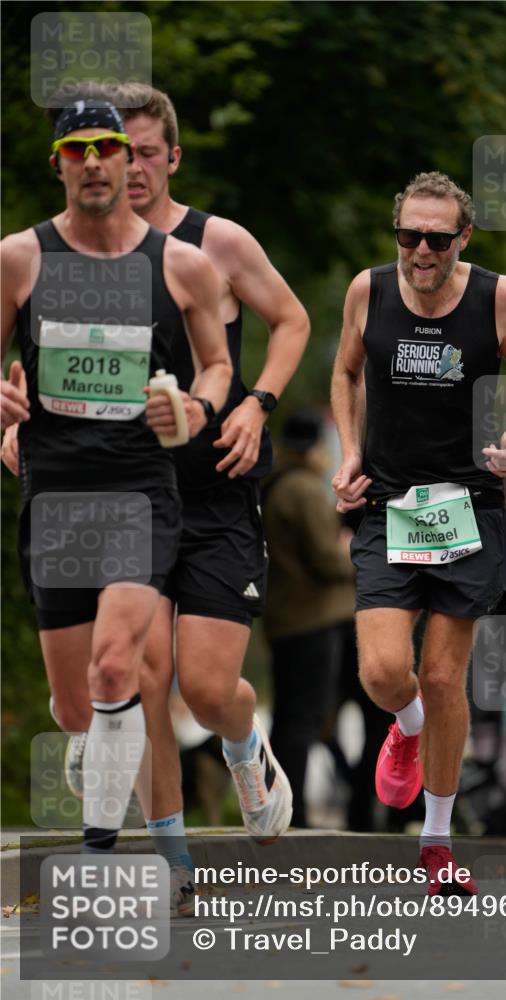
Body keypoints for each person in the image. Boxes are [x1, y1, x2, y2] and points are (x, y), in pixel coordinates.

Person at [0, 99, 232, 869]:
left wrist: (194, 408)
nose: (97, 161)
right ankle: (103, 747)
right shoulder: (20, 260)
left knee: (113, 666)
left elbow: (219, 365)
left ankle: (118, 856)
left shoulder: (180, 263)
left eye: (109, 148)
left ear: (131, 163)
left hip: (140, 490)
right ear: (59, 163)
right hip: (55, 493)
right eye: (79, 148)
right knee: (75, 706)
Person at [99, 83, 309, 909]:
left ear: (172, 157)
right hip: (130, 497)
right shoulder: (80, 259)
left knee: (206, 690)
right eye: (121, 152)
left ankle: (245, 747)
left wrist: (257, 404)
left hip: (217, 491)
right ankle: (174, 861)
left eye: (149, 151)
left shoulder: (216, 243)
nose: (135, 167)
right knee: (147, 677)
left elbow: (289, 320)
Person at [330, 171, 506, 895]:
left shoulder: (501, 297)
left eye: (436, 237)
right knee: (382, 673)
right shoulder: (367, 290)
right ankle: (409, 724)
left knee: (441, 673)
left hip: (467, 502)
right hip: (388, 501)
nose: (419, 251)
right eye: (407, 235)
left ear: (463, 237)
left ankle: (435, 841)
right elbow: (343, 373)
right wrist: (348, 451)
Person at [261, 409, 355, 828]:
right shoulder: (305, 491)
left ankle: (276, 807)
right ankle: (293, 815)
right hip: (314, 620)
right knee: (304, 720)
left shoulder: (274, 486)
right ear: (317, 448)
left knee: (287, 717)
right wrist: (356, 556)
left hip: (283, 618)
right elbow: (327, 560)